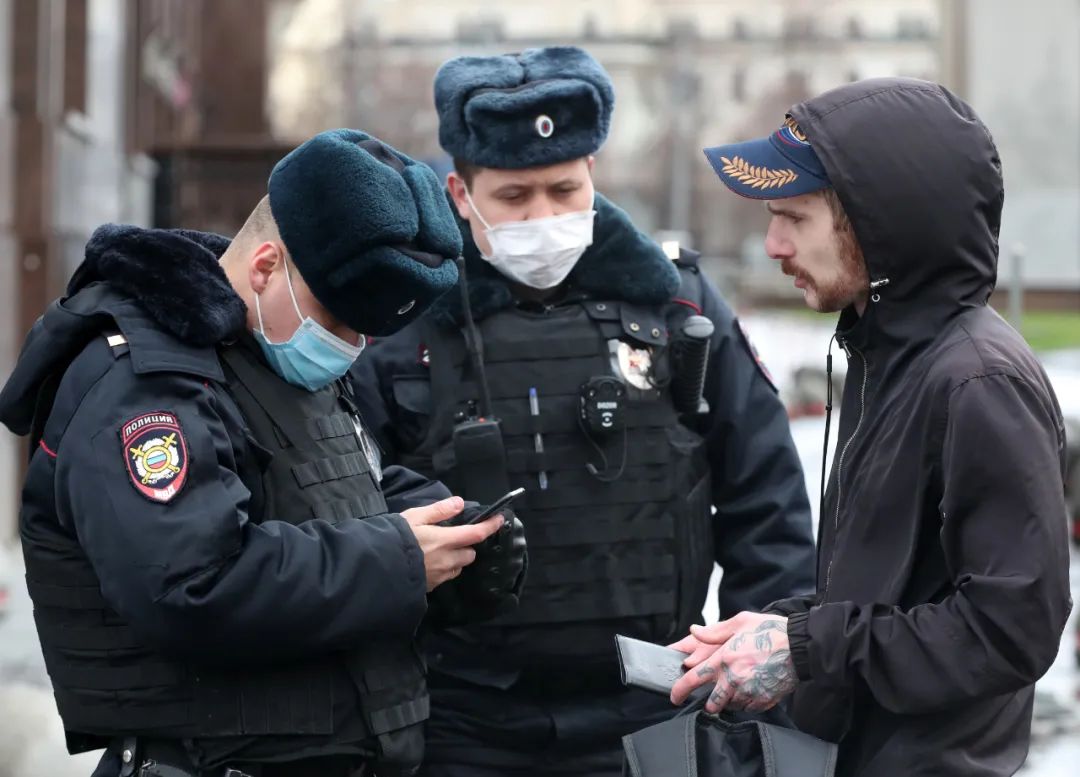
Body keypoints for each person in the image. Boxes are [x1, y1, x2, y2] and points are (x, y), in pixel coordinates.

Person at [0, 129, 526, 777]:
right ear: (266, 266)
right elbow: (192, 585)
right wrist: (398, 557)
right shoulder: (141, 385)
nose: (351, 344)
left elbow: (332, 489)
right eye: (336, 321)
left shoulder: (268, 353)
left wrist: (452, 531)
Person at [350, 46, 816, 776]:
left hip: (652, 709)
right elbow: (347, 520)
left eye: (564, 190)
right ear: (460, 192)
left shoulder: (678, 308)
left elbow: (769, 508)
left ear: (593, 175)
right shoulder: (401, 325)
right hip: (461, 721)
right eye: (514, 197)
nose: (543, 216)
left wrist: (762, 679)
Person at [669, 78, 1073, 776]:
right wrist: (783, 627)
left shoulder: (977, 380)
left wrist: (807, 647)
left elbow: (1009, 629)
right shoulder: (884, 351)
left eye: (794, 217)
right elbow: (895, 584)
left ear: (878, 225)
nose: (771, 244)